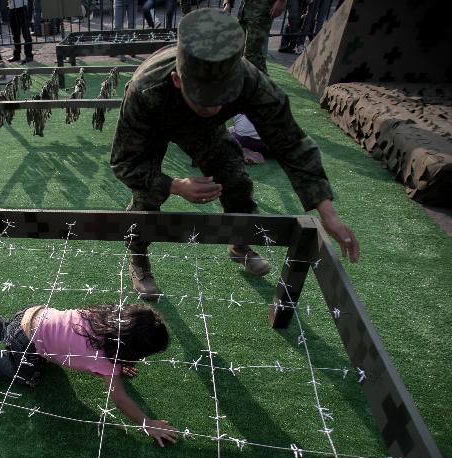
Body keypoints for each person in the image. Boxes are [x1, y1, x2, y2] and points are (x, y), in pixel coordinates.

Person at [110, 8, 359, 300]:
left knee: (235, 177)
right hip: (155, 125)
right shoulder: (146, 89)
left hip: (206, 131)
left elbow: (291, 142)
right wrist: (174, 185)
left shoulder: (248, 80)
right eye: (205, 102)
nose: (215, 108)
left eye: (222, 100)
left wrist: (327, 211)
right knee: (146, 196)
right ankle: (138, 258)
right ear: (179, 81)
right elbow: (124, 162)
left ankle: (240, 243)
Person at [0, 304, 178, 447]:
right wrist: (147, 423)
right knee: (29, 377)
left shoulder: (102, 319)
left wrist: (118, 365)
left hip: (31, 313)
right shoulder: (103, 359)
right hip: (25, 341)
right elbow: (119, 399)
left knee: (27, 342)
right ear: (130, 349)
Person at [222, 0, 285, 74]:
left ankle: (263, 84)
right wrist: (228, 3)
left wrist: (282, 1)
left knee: (252, 56)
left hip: (261, 11)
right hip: (244, 10)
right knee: (238, 52)